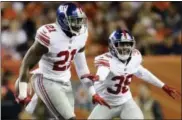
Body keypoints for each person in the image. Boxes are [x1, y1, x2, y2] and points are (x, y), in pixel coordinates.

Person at [15, 3, 110, 120]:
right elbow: (26, 63)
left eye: (80, 20)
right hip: (46, 79)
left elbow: (82, 67)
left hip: (65, 81)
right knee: (69, 118)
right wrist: (23, 93)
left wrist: (93, 92)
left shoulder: (82, 34)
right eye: (74, 21)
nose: (79, 24)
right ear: (63, 20)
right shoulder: (49, 35)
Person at [88, 29, 180, 119]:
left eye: (128, 44)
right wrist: (99, 77)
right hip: (106, 103)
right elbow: (102, 73)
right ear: (112, 45)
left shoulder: (134, 57)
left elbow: (142, 72)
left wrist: (162, 85)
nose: (125, 48)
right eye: (121, 44)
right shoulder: (106, 59)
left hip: (126, 102)